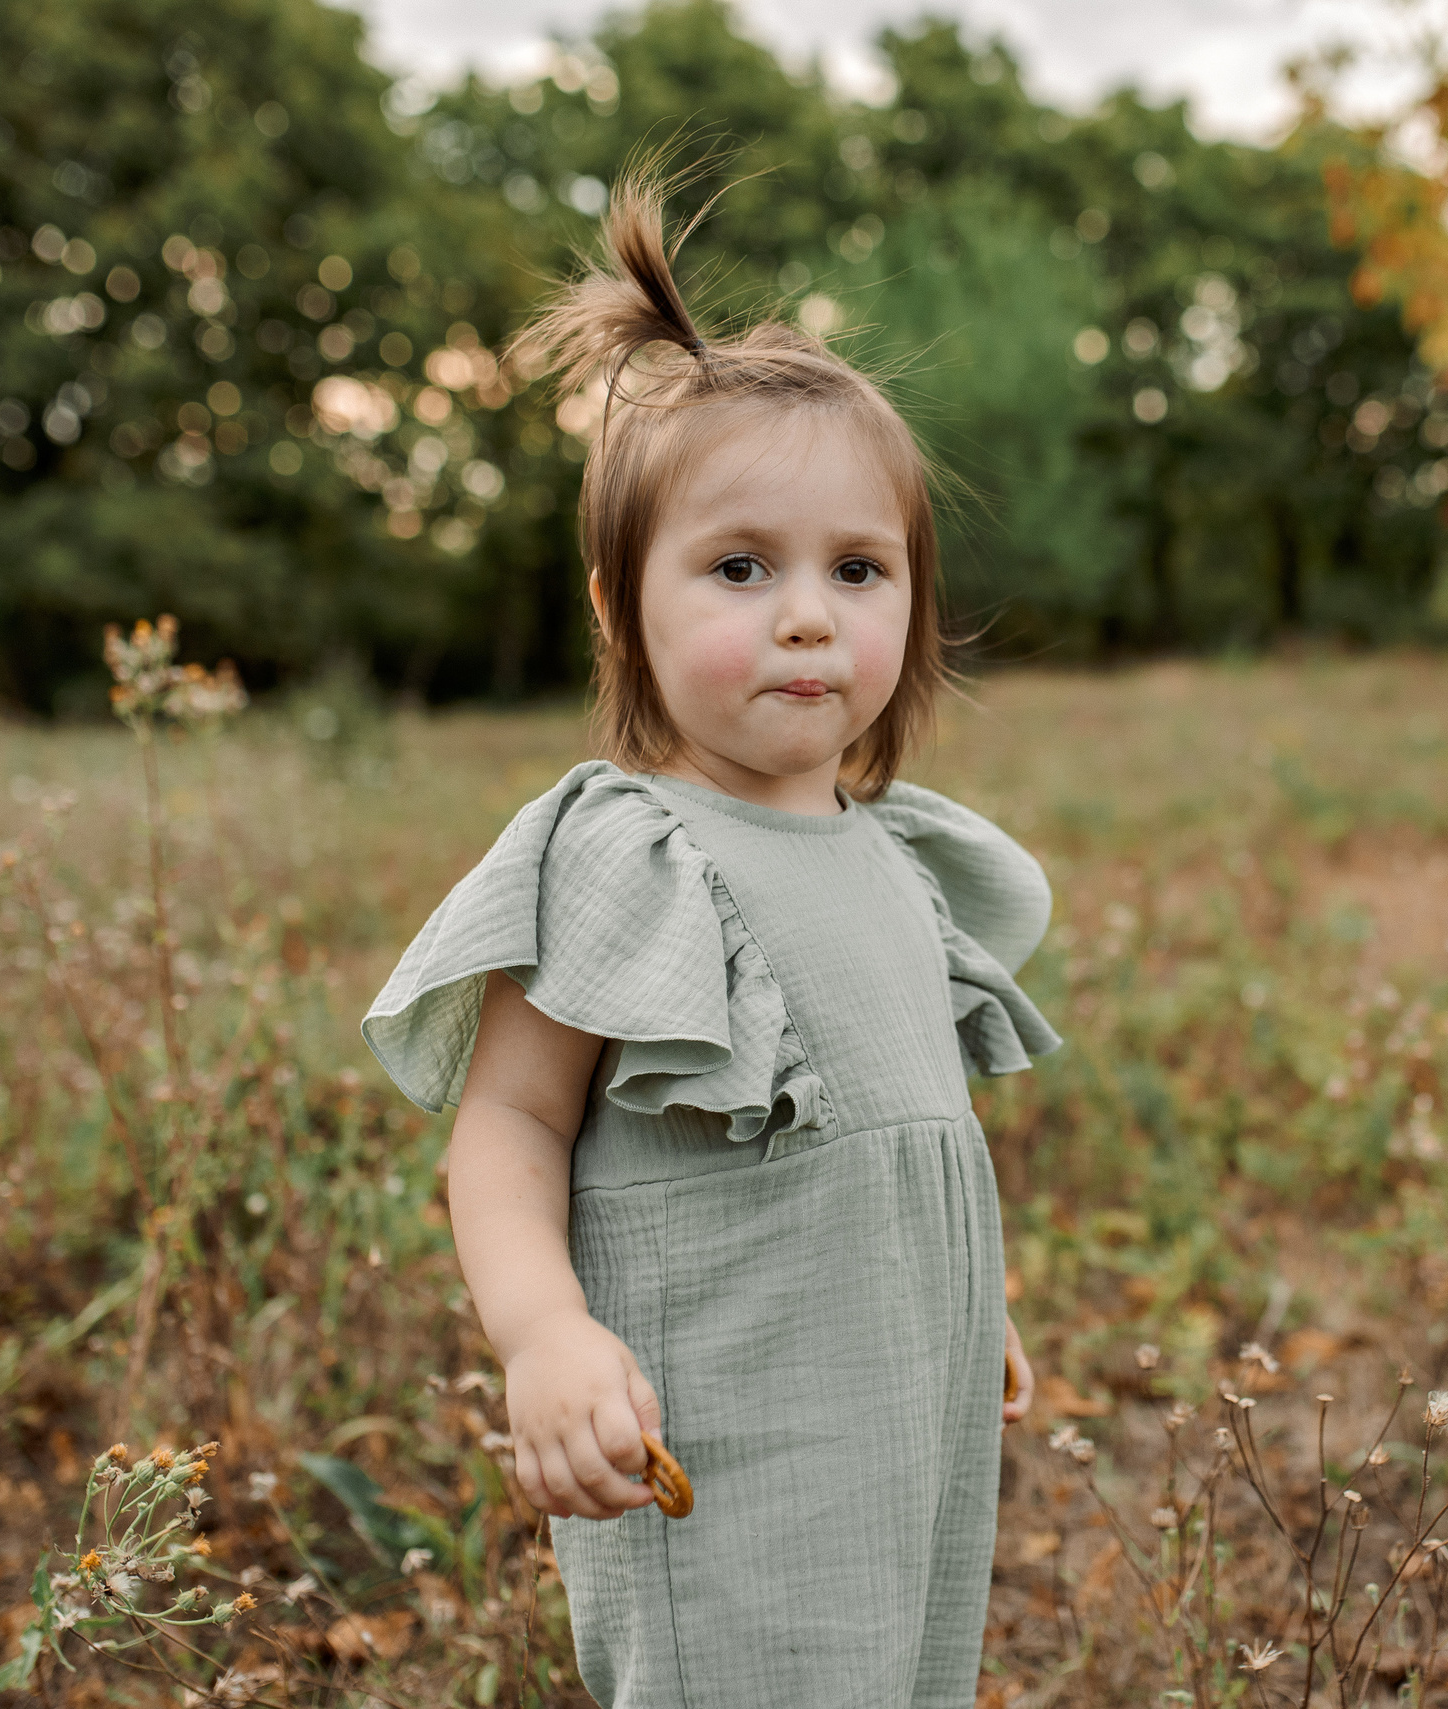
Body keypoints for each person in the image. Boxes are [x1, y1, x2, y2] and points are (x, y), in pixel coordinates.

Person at [358, 169, 1061, 1708]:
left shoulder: (895, 855)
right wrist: (544, 1334)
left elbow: (887, 1130)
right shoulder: (630, 849)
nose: (809, 615)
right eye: (742, 567)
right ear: (621, 609)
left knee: (897, 1670)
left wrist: (960, 1296)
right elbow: (509, 1120)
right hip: (720, 1426)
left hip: (898, 1403)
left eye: (857, 569)